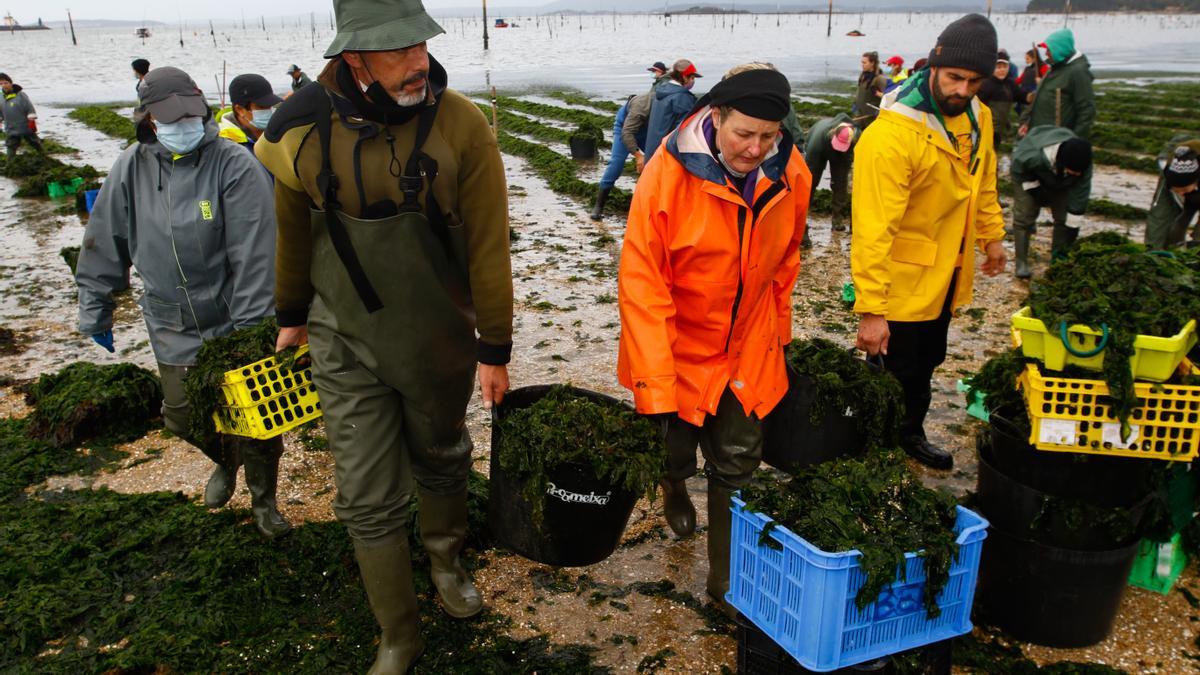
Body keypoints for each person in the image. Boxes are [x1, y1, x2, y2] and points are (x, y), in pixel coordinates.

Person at [254, 0, 514, 670]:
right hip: (343, 336)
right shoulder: (298, 130)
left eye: (419, 45)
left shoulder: (461, 127)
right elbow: (292, 233)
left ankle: (446, 558)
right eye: (396, 51)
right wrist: (291, 315)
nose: (416, 61)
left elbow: (488, 248)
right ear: (352, 58)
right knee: (365, 494)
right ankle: (398, 631)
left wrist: (496, 347)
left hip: (439, 338)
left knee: (442, 454)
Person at [617, 63, 810, 617]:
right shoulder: (667, 172)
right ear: (716, 117)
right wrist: (655, 381)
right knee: (673, 446)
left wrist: (779, 328)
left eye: (768, 136)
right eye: (743, 134)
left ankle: (725, 585)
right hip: (676, 341)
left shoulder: (791, 170)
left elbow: (787, 257)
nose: (755, 148)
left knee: (738, 462)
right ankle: (674, 484)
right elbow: (642, 280)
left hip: (746, 342)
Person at [74, 67, 290, 539]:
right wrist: (96, 303)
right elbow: (104, 238)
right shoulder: (131, 166)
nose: (185, 125)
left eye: (192, 116)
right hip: (170, 320)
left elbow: (255, 253)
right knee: (183, 415)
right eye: (172, 119)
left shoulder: (233, 164)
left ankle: (263, 498)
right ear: (150, 120)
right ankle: (224, 460)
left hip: (235, 317)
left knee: (257, 420)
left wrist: (252, 332)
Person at [851, 14, 1007, 470]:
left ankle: (909, 434)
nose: (962, 90)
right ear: (934, 66)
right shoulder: (892, 134)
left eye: (974, 81)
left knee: (928, 362)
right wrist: (872, 309)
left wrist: (992, 237)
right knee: (892, 370)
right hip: (901, 280)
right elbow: (873, 229)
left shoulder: (979, 117)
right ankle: (872, 449)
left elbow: (985, 181)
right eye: (955, 77)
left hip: (947, 273)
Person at [1010, 126, 1093, 277]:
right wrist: (1034, 189)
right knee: (1024, 217)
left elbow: (1080, 193)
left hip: (1061, 179)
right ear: (1063, 161)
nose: (1078, 174)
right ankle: (1021, 262)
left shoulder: (1082, 160)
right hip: (1028, 173)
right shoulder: (1030, 155)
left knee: (1063, 218)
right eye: (1074, 171)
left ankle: (1058, 260)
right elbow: (1018, 170)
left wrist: (1073, 223)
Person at [591, 65, 666, 219]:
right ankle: (599, 205)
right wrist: (638, 155)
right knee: (616, 164)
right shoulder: (642, 104)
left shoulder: (671, 104)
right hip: (625, 127)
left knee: (659, 163)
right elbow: (627, 133)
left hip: (647, 130)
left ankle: (651, 204)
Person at [1021, 28, 1094, 140]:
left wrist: (1075, 141)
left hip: (1058, 139)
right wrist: (1026, 121)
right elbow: (1039, 97)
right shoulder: (1055, 67)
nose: (1046, 53)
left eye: (1049, 50)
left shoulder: (1078, 72)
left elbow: (1086, 110)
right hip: (1039, 135)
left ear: (1059, 49)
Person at [804, 114, 857, 236]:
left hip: (842, 154)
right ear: (833, 135)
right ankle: (802, 218)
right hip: (818, 149)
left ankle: (837, 219)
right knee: (810, 182)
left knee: (840, 183)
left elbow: (843, 175)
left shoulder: (854, 135)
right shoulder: (817, 142)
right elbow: (808, 172)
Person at [1146, 139, 1200, 250]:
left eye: (1184, 190)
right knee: (1163, 214)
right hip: (1175, 162)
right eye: (1176, 190)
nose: (1181, 194)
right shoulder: (1169, 171)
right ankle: (1160, 252)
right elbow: (1160, 216)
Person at [643, 59, 702, 160]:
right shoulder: (682, 98)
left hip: (652, 152)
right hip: (668, 156)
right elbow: (683, 132)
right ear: (684, 76)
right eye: (692, 77)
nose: (693, 81)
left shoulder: (661, 92)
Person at [217, 73, 283, 150]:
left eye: (271, 105)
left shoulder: (277, 133)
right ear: (240, 110)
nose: (270, 111)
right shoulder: (225, 144)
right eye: (261, 107)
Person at [977, 52, 1021, 147]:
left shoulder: (1011, 84)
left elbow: (1020, 96)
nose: (1002, 70)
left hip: (1001, 128)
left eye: (1004, 67)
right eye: (998, 67)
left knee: (995, 150)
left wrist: (1029, 96)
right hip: (987, 128)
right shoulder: (985, 84)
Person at [0, 73, 43, 160]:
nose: (4, 85)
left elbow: (29, 108)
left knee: (34, 142)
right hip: (10, 127)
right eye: (1, 84)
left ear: (11, 83)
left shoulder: (21, 95)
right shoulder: (1, 97)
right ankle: (10, 162)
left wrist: (32, 121)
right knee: (11, 145)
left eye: (6, 83)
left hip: (24, 125)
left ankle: (43, 155)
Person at [853, 52, 887, 129]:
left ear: (872, 63)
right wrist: (855, 103)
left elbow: (887, 96)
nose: (862, 65)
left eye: (864, 62)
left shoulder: (879, 79)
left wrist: (878, 94)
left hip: (871, 116)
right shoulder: (863, 75)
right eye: (862, 62)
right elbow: (859, 91)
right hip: (859, 112)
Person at [1015, 48, 1045, 114]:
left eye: (1027, 59)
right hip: (1024, 95)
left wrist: (1041, 81)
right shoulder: (1027, 68)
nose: (1026, 61)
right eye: (1025, 59)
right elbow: (1019, 80)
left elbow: (1048, 80)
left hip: (1035, 96)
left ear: (1034, 58)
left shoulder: (1043, 67)